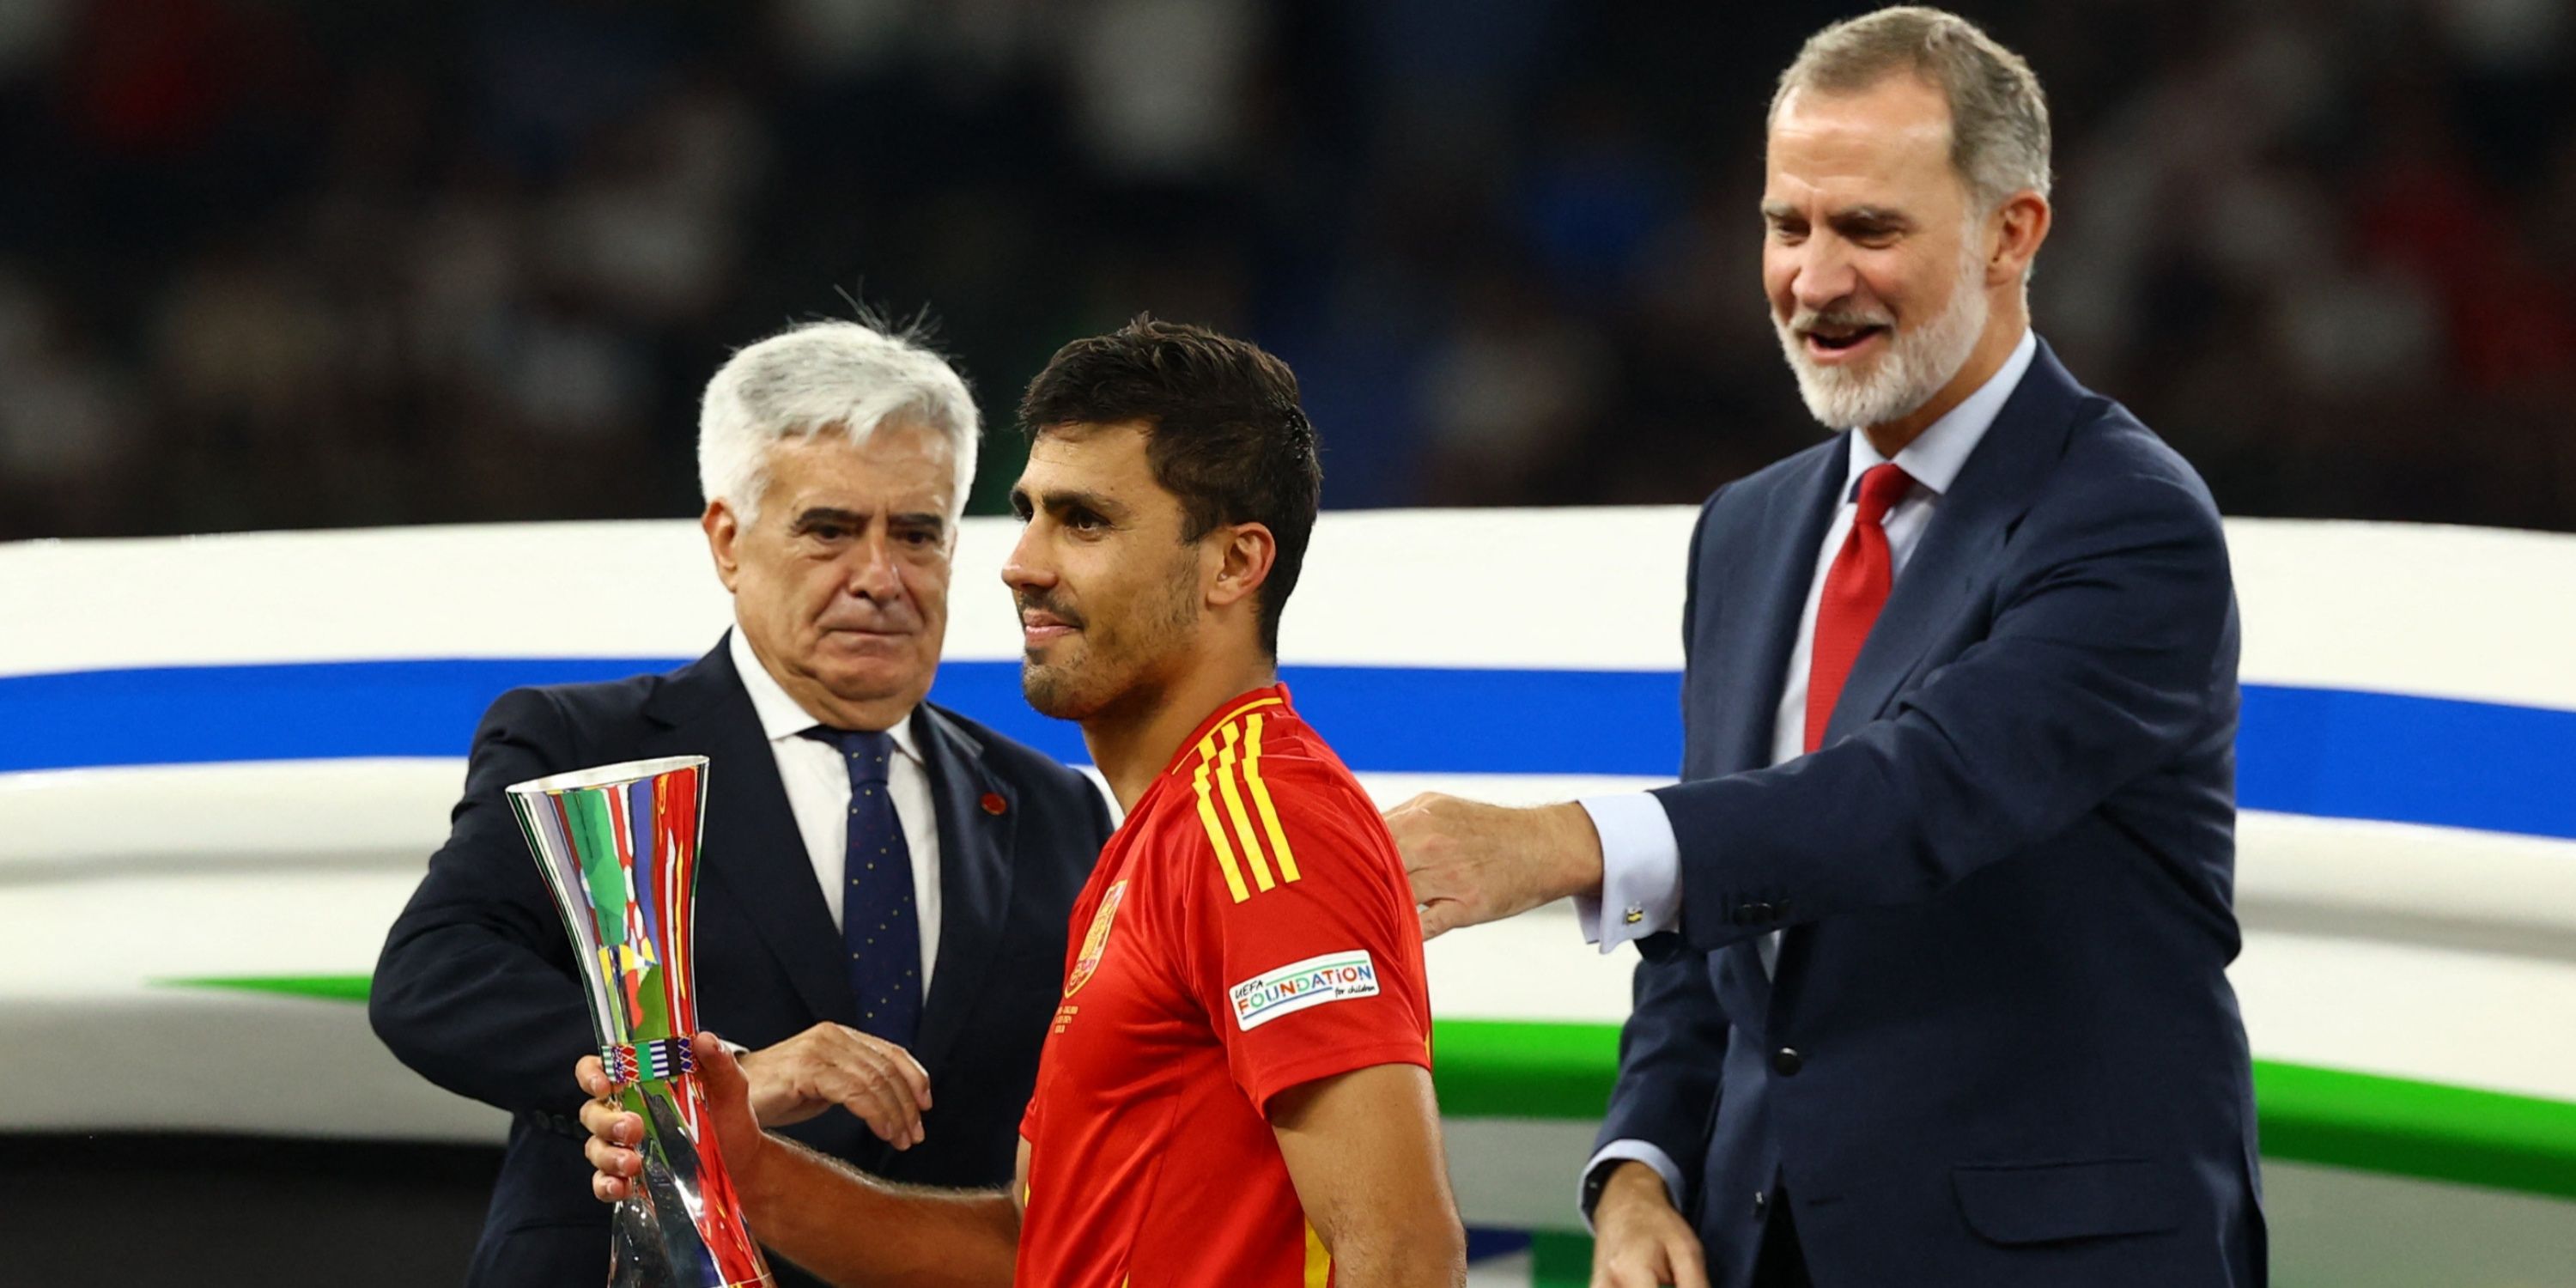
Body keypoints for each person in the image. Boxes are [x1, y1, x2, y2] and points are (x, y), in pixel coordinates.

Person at [1388, 9, 2263, 1287]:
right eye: (1785, 225)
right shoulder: (1747, 533)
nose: (1812, 279)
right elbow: (1714, 904)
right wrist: (1642, 1168)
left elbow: (1914, 796)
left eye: (1868, 229)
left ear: (2012, 233)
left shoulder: (2129, 518)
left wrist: (1564, 842)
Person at [580, 319, 1467, 1287]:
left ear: (1234, 564)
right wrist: (747, 1167)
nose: (1021, 561)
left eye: (1085, 521)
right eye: (1028, 511)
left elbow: (1405, 1253)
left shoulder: (1261, 823)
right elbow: (1035, 1248)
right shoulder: (1143, 844)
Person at [369, 320, 1115, 1288]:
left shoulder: (1057, 810)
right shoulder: (584, 748)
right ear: (727, 540)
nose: (881, 578)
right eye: (830, 530)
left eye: (919, 533)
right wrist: (712, 1076)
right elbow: (433, 976)